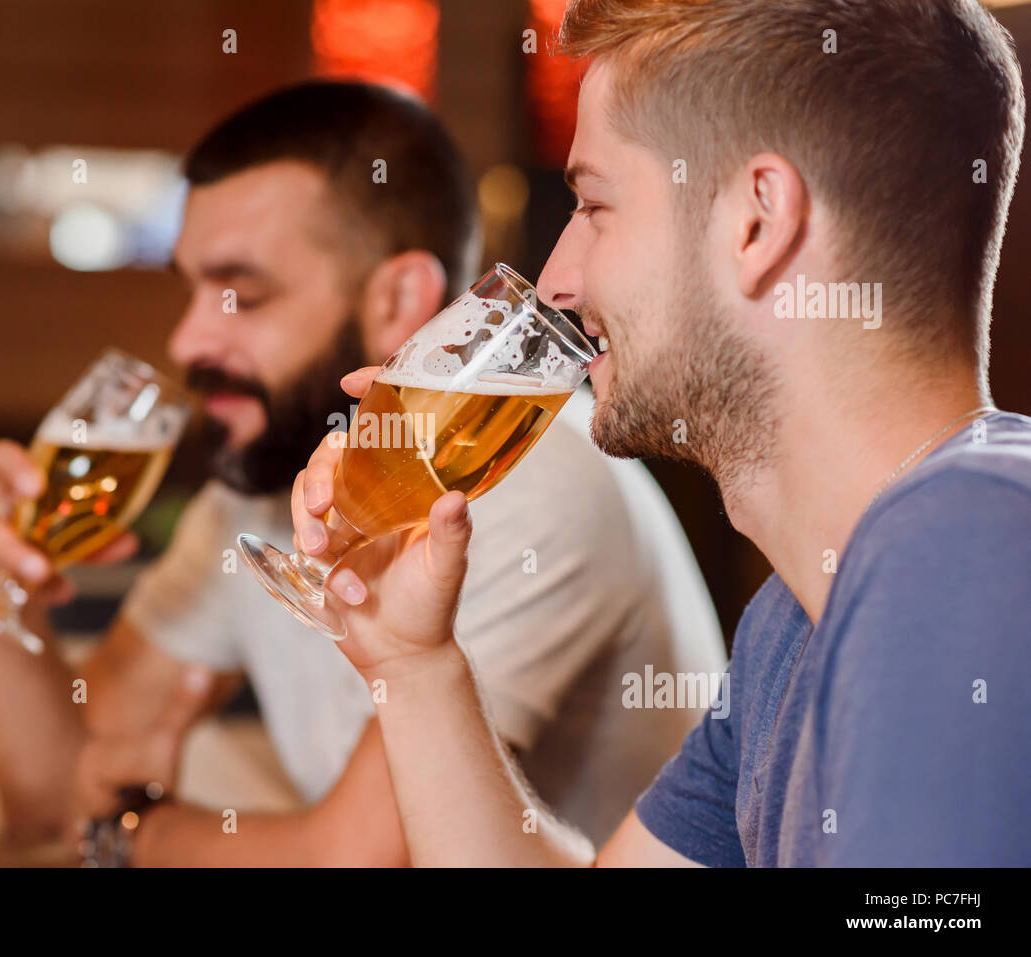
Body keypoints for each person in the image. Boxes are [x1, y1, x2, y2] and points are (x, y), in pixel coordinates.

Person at [287, 0, 1031, 866]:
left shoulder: (964, 547)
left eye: (594, 206)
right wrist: (413, 665)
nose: (555, 281)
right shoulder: (798, 613)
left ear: (757, 223)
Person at [0, 80, 725, 865]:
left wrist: (136, 831)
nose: (186, 339)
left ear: (397, 299)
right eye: (193, 288)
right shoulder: (261, 483)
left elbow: (353, 860)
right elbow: (54, 796)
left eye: (240, 293)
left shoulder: (521, 476)